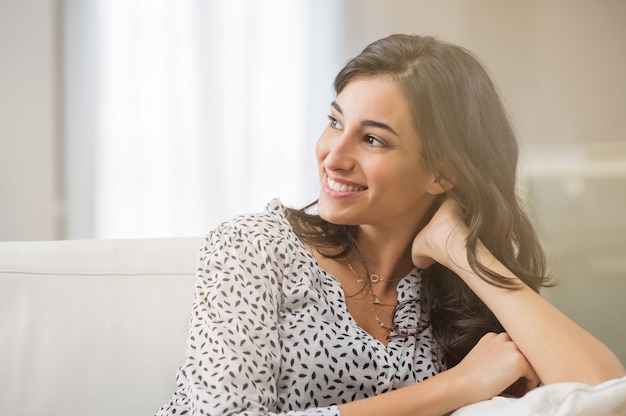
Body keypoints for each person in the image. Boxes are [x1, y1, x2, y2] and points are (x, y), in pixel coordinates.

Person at [155, 34, 625, 416]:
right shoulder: (253, 246)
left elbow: (605, 394)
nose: (333, 157)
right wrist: (456, 387)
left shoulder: (453, 291)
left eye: (373, 139)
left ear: (442, 171)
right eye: (335, 122)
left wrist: (461, 248)